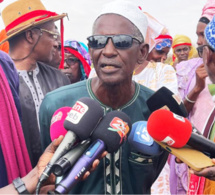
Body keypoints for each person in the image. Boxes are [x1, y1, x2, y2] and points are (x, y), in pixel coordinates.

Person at [39, 0, 168, 194]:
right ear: (91, 50)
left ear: (142, 52)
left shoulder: (157, 111)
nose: (107, 51)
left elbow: (152, 174)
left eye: (122, 42)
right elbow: (44, 177)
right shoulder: (55, 104)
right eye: (98, 42)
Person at [0, 0, 70, 167]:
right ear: (30, 35)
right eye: (52, 34)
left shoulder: (60, 79)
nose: (56, 42)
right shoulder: (3, 84)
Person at [170, 1, 215, 194]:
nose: (198, 41)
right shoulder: (189, 71)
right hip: (199, 168)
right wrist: (197, 88)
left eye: (202, 36)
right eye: (197, 34)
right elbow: (180, 113)